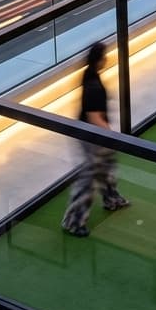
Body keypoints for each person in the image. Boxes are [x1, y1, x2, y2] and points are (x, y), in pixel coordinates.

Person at [61, 42, 129, 237]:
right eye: (105, 55)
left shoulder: (89, 74)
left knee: (107, 165)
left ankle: (112, 199)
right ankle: (73, 222)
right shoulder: (94, 86)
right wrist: (112, 136)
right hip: (92, 137)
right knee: (88, 178)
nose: (107, 58)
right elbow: (94, 117)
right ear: (99, 59)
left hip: (91, 134)